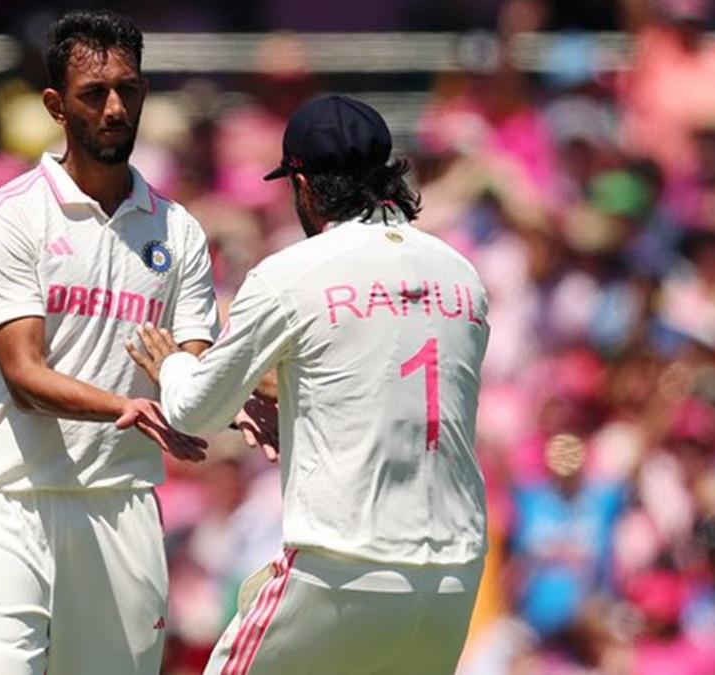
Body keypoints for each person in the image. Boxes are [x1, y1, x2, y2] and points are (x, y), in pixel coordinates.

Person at [128, 94, 491, 675]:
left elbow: (193, 412)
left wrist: (172, 364)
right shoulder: (462, 275)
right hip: (454, 579)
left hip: (340, 571)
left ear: (305, 185)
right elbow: (388, 379)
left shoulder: (289, 272)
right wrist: (285, 397)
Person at [0, 10, 220, 675]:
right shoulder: (9, 218)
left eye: (129, 89)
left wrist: (244, 395)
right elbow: (24, 374)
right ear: (56, 106)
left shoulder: (178, 233)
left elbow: (194, 371)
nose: (116, 108)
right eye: (95, 94)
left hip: (121, 506)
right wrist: (123, 403)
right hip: (8, 505)